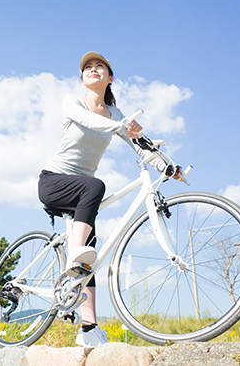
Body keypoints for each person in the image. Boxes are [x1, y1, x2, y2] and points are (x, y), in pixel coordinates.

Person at [38, 51, 180, 347]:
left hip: (81, 191)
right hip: (53, 181)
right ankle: (76, 255)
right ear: (82, 78)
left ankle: (89, 329)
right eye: (87, 67)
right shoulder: (73, 102)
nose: (93, 69)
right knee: (95, 186)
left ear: (109, 77)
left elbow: (141, 146)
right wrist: (120, 127)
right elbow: (86, 121)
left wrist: (166, 165)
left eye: (99, 66)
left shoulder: (116, 114)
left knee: (89, 256)